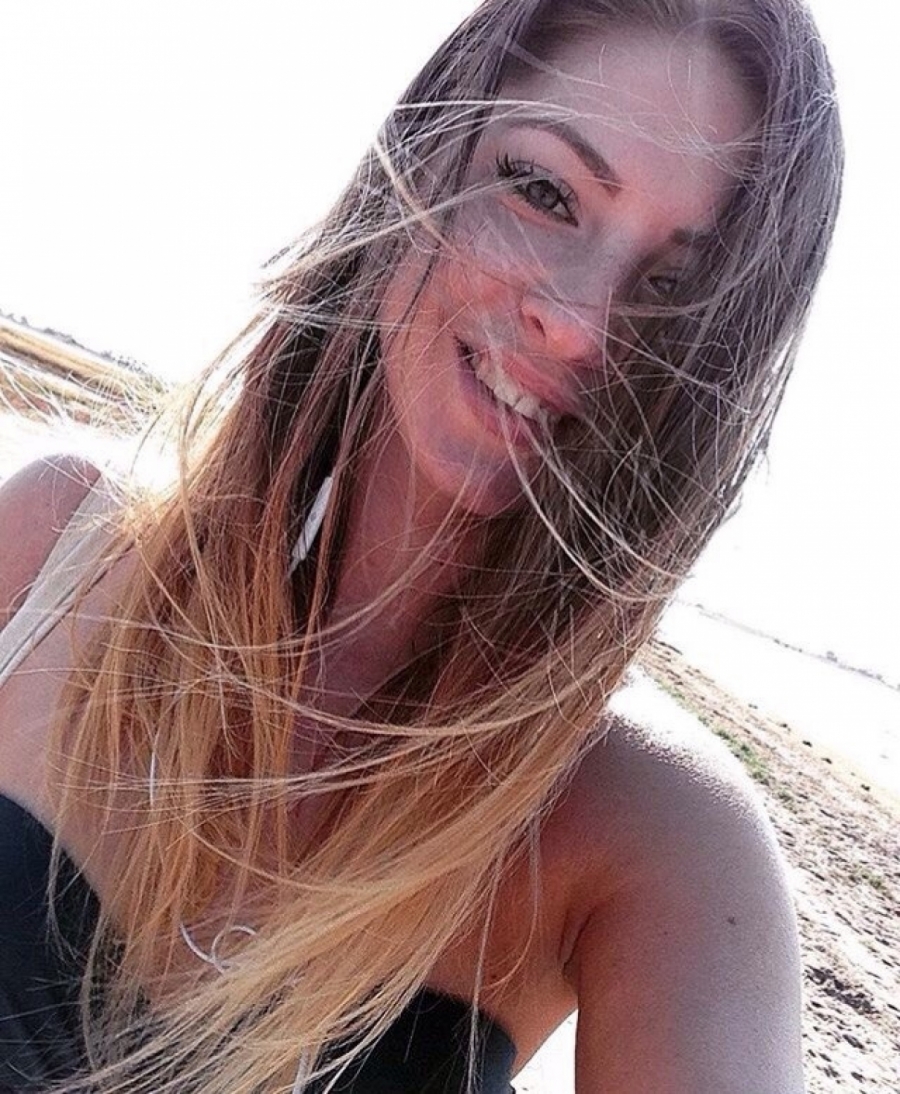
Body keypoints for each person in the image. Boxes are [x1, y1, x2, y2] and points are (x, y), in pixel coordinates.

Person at [0, 0, 842, 1091]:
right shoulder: (55, 547)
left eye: (677, 290)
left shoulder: (657, 840)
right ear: (424, 159)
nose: (582, 324)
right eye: (544, 192)